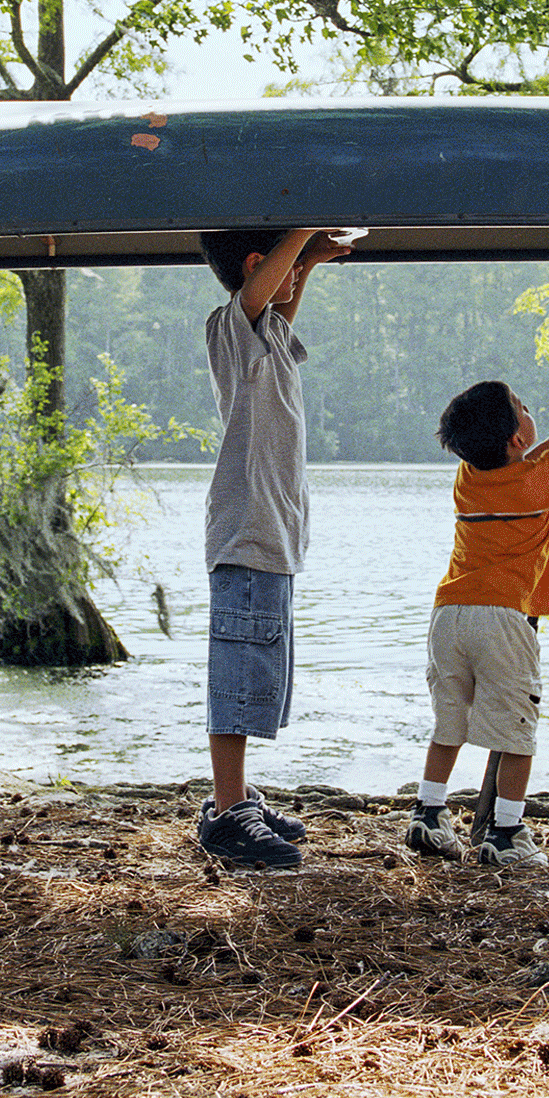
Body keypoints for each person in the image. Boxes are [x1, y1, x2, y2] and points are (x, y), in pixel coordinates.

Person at [192, 225, 355, 870]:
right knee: (236, 679)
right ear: (259, 265)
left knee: (261, 677)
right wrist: (304, 229)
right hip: (247, 534)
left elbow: (278, 309)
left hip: (276, 539)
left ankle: (238, 799)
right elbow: (262, 298)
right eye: (283, 268)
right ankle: (229, 812)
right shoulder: (228, 329)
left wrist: (308, 260)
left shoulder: (270, 343)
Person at [405, 359, 549, 870]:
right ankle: (507, 830)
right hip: (502, 620)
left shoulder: (468, 478)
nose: (527, 409)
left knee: (449, 719)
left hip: (449, 615)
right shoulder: (544, 480)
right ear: (516, 439)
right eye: (522, 408)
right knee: (518, 728)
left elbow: (512, 473)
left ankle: (428, 812)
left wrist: (545, 448)